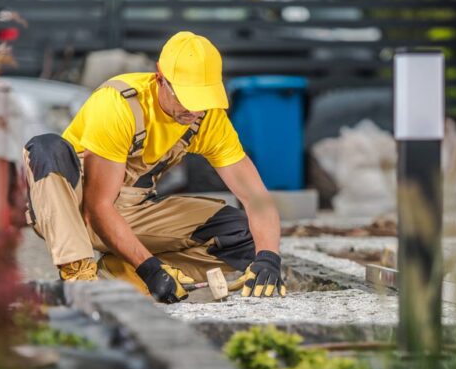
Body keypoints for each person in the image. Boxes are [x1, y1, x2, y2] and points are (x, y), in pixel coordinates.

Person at [22, 31, 286, 303]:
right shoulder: (118, 104)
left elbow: (257, 200)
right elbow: (96, 208)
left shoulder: (208, 119)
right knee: (46, 147)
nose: (194, 111)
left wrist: (268, 258)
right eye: (187, 98)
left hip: (132, 210)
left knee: (245, 237)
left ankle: (119, 277)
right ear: (160, 77)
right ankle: (78, 277)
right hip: (74, 209)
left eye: (202, 100)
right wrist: (150, 267)